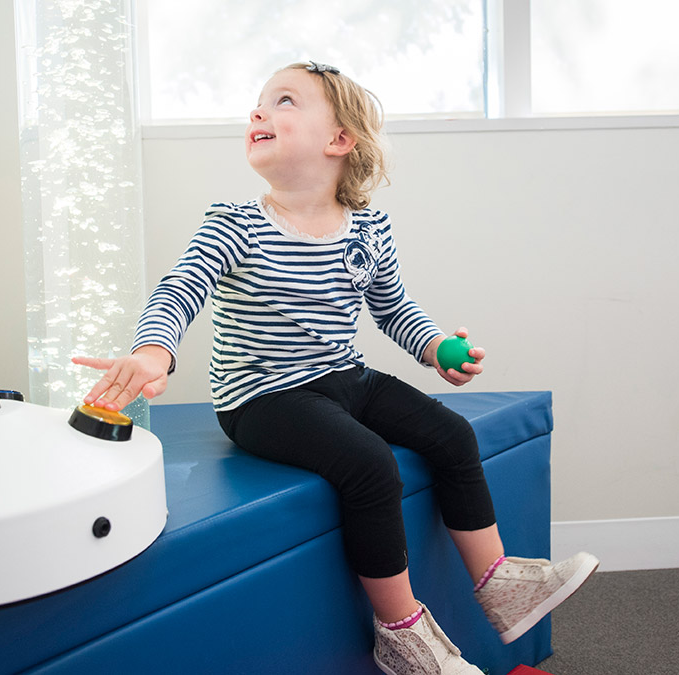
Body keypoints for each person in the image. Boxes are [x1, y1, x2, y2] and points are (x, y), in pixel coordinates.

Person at [73, 61, 598, 675]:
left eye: (284, 101)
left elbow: (393, 308)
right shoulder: (234, 224)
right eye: (260, 102)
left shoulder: (367, 228)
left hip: (346, 378)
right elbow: (179, 289)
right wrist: (153, 351)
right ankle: (403, 636)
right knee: (370, 465)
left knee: (453, 434)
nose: (259, 111)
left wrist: (435, 349)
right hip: (262, 398)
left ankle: (502, 586)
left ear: (340, 139)